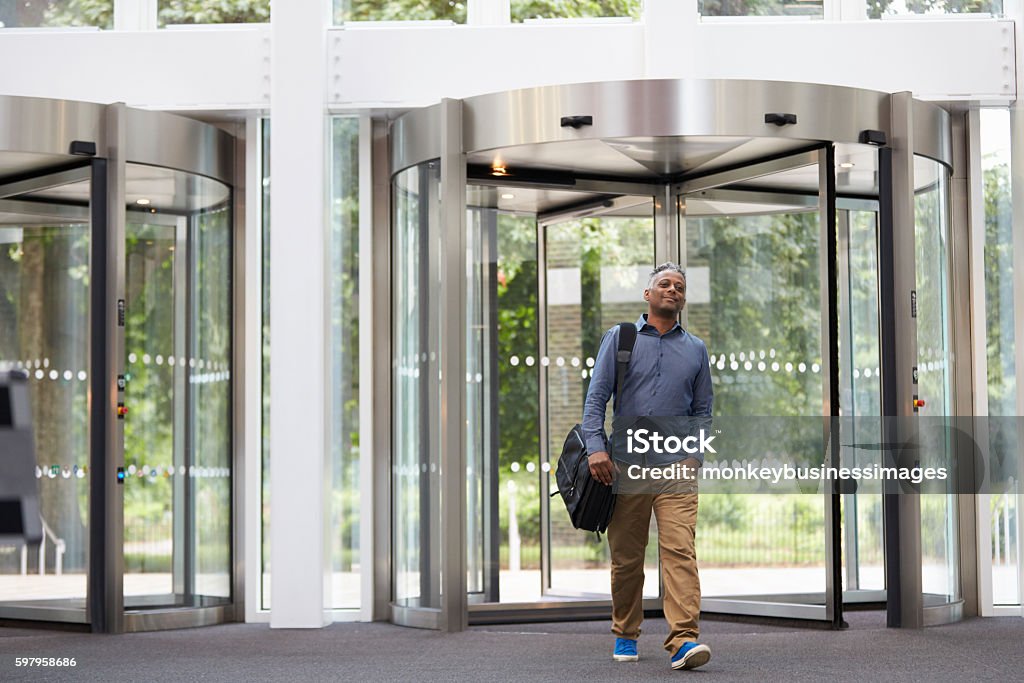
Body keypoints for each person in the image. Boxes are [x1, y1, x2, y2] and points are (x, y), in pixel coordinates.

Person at [581, 262, 713, 671]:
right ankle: (625, 633)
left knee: (680, 553)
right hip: (625, 467)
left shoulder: (695, 348)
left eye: (679, 286)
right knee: (627, 558)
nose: (672, 290)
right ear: (648, 294)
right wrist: (595, 448)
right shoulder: (620, 339)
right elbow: (596, 399)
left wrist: (694, 456)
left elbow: (703, 411)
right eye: (664, 284)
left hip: (676, 467)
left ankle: (683, 640)